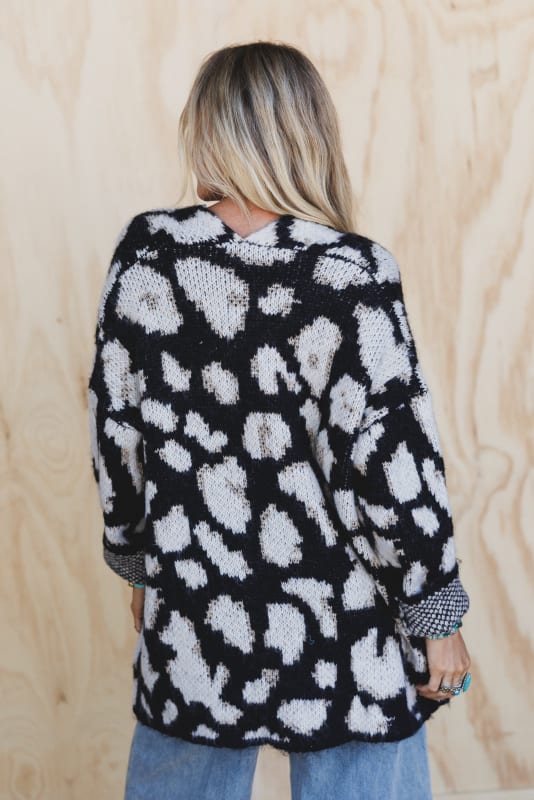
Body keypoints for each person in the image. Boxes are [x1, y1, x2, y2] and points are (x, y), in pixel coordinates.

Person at [87, 40, 471, 800]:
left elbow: (115, 435)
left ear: (209, 131)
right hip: (343, 621)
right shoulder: (352, 274)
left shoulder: (144, 258)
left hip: (194, 607)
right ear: (308, 133)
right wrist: (438, 615)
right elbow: (394, 469)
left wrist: (141, 564)